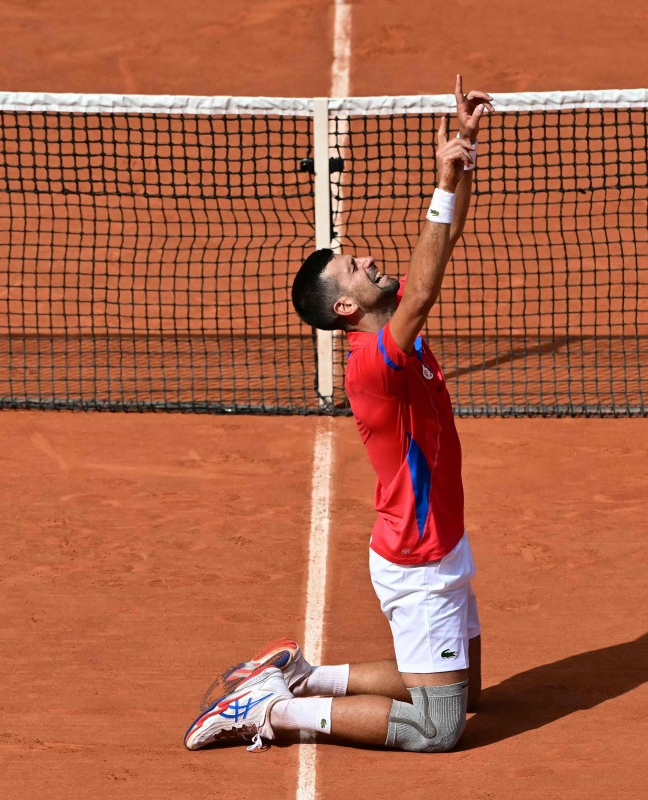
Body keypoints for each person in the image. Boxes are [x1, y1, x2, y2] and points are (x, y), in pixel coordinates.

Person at [184, 75, 493, 754]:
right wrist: (444, 176)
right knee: (439, 728)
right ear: (347, 309)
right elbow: (429, 278)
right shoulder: (374, 361)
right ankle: (275, 715)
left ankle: (302, 677)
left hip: (443, 539)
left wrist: (461, 152)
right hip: (420, 559)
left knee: (466, 691)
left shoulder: (393, 327)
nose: (372, 260)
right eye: (355, 266)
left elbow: (438, 251)